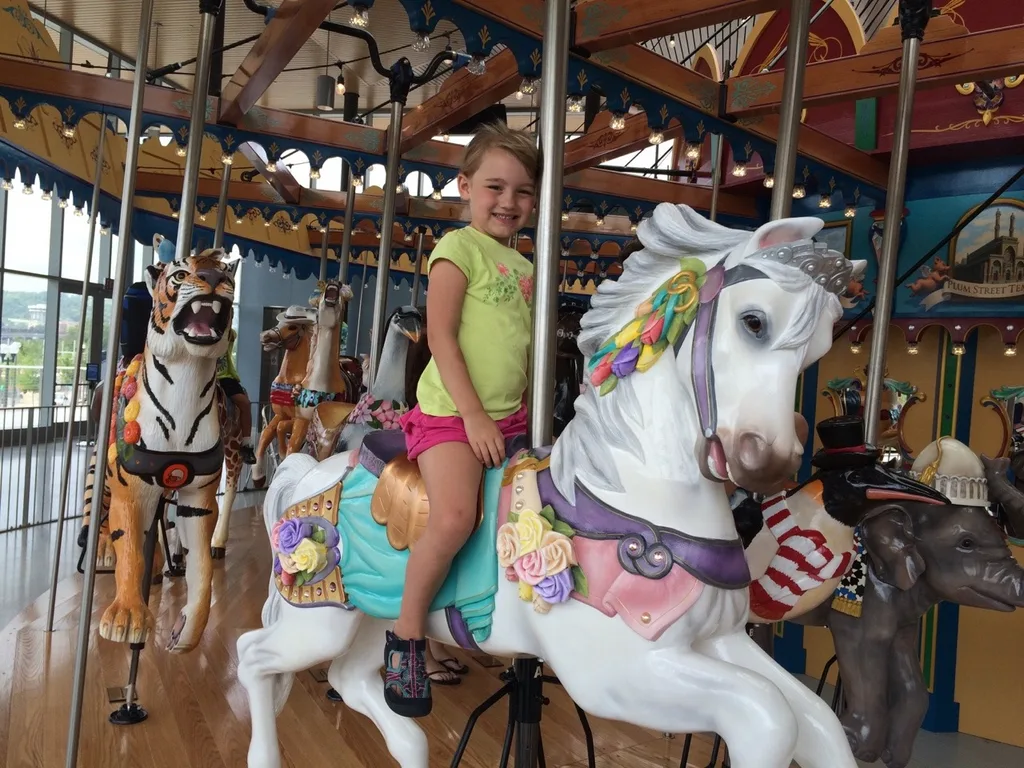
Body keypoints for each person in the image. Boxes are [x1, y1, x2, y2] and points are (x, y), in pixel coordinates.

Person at [385, 122, 541, 718]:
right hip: (452, 414)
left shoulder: (525, 265)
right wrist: (475, 416)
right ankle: (405, 636)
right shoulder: (458, 250)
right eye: (495, 187)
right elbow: (443, 339)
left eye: (524, 192)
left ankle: (481, 615)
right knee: (454, 517)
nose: (509, 202)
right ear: (466, 186)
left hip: (512, 418)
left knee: (532, 519)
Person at [217, 328, 256, 464]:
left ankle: (246, 444)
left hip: (224, 378)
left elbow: (229, 334)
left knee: (245, 403)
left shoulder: (228, 333)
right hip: (204, 377)